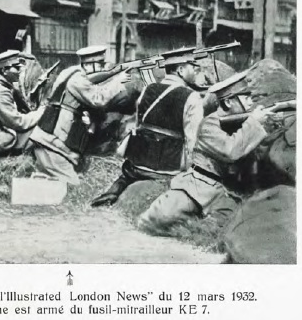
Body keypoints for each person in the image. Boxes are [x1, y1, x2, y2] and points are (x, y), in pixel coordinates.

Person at [137, 71, 273, 233]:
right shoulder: (210, 124)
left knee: (229, 225)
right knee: (156, 219)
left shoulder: (241, 125)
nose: (251, 104)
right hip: (198, 187)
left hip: (225, 193)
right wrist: (254, 123)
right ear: (228, 102)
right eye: (246, 98)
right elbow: (230, 151)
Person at [91, 47, 205, 207]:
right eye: (193, 67)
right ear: (180, 70)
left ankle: (114, 191)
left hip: (136, 166)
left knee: (126, 175)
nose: (196, 71)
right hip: (168, 169)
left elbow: (140, 124)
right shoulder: (192, 97)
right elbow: (193, 143)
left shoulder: (148, 89)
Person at [29, 45, 131, 185]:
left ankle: (35, 184)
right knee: (72, 186)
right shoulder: (77, 80)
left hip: (48, 139)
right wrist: (117, 83)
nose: (103, 68)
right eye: (100, 64)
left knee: (52, 178)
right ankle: (29, 191)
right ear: (89, 65)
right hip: (52, 144)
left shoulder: (68, 73)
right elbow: (97, 99)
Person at [0, 50, 45, 157]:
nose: (20, 71)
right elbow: (17, 122)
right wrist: (40, 113)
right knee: (40, 131)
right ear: (4, 70)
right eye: (16, 68)